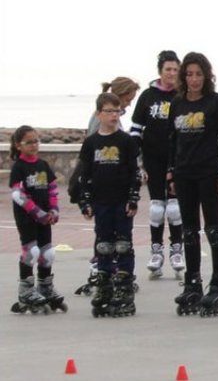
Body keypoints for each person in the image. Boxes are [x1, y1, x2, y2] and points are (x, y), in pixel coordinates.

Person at [167, 52, 218, 317]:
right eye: (189, 74)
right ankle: (192, 282)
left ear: (206, 76)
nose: (194, 79)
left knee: (213, 229)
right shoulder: (177, 103)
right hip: (184, 173)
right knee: (189, 231)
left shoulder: (215, 102)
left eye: (198, 74)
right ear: (183, 77)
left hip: (209, 172)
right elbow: (172, 141)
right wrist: (171, 173)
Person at [78, 92, 142, 317]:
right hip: (101, 201)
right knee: (103, 244)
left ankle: (124, 288)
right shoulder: (91, 143)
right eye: (109, 111)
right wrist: (85, 201)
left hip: (122, 201)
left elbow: (135, 172)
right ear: (99, 114)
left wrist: (133, 198)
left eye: (117, 111)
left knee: (123, 244)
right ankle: (104, 285)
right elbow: (85, 175)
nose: (114, 115)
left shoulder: (126, 141)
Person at [130, 50, 185, 280]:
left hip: (177, 160)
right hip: (153, 160)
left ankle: (177, 250)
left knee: (174, 207)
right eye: (168, 69)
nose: (172, 73)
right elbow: (135, 129)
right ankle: (156, 251)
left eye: (175, 69)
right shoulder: (147, 96)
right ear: (160, 71)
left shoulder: (182, 95)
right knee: (156, 208)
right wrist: (135, 159)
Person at [8, 125, 67, 314]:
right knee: (31, 251)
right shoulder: (19, 167)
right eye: (29, 142)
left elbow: (52, 189)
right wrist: (38, 213)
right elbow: (18, 195)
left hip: (45, 217)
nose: (34, 145)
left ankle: (45, 287)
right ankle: (25, 291)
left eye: (36, 141)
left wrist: (54, 210)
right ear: (19, 145)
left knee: (48, 253)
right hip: (27, 218)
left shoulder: (42, 165)